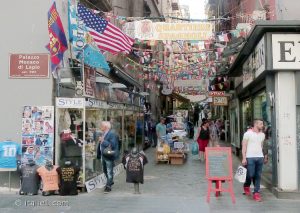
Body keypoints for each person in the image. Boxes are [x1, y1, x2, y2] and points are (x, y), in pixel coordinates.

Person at [242, 119, 268, 202]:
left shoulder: (262, 135)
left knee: (258, 176)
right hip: (250, 157)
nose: (262, 125)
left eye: (262, 124)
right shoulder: (247, 134)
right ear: (255, 124)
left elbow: (262, 146)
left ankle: (256, 193)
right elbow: (244, 146)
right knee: (250, 174)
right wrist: (244, 157)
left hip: (260, 157)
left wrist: (265, 156)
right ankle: (246, 185)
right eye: (261, 124)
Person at [97, 121, 118, 193]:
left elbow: (113, 144)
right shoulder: (103, 133)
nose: (100, 127)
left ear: (105, 127)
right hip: (103, 155)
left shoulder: (111, 134)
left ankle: (108, 186)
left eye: (101, 125)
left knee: (109, 171)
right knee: (105, 170)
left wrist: (103, 141)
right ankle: (110, 181)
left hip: (108, 155)